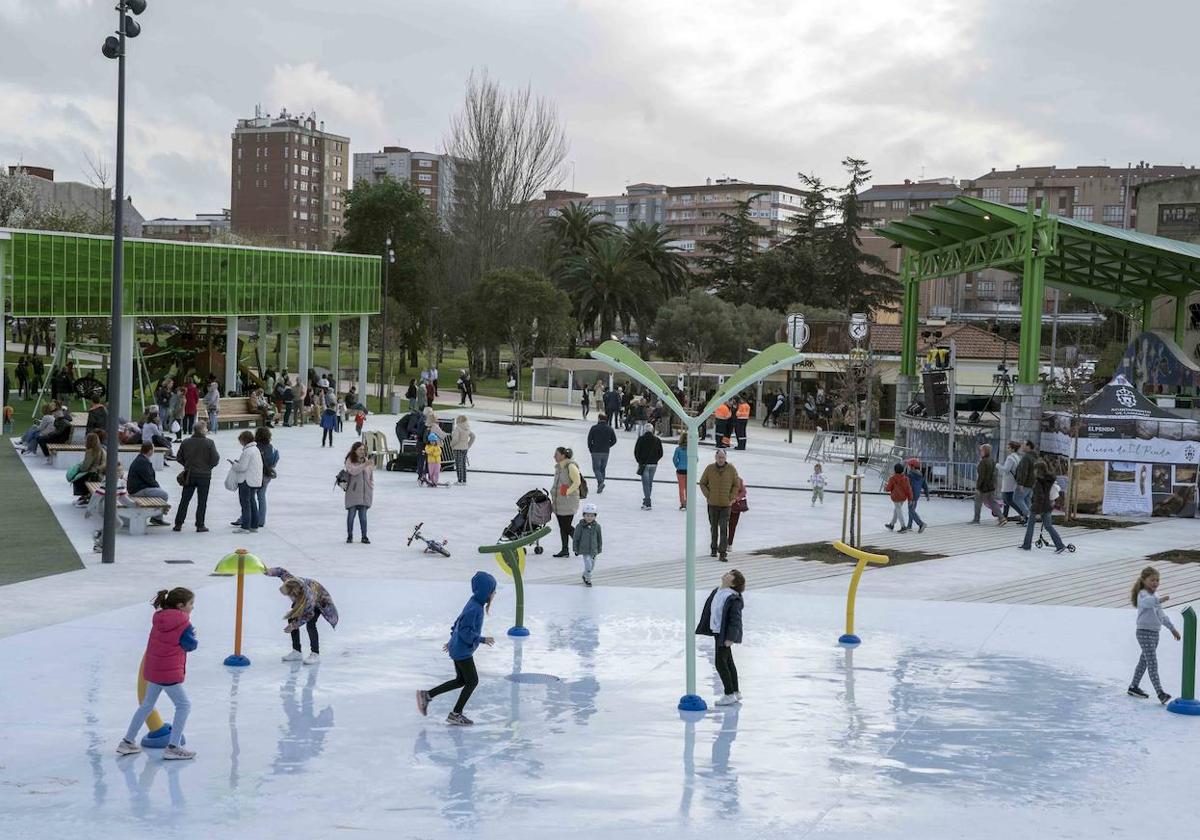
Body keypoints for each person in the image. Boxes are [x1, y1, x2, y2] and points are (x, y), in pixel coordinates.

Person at [116, 587, 197, 760]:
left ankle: (127, 742)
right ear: (181, 605)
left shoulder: (159, 618)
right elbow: (190, 645)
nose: (192, 607)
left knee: (146, 705)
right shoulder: (184, 623)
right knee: (184, 705)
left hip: (154, 669)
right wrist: (193, 636)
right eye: (191, 604)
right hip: (168, 672)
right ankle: (173, 747)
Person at [415, 572, 496, 726]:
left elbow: (458, 623)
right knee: (472, 681)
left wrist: (452, 640)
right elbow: (465, 631)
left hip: (458, 648)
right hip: (462, 651)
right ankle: (456, 713)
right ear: (486, 592)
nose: (494, 594)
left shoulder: (473, 603)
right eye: (492, 591)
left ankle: (426, 695)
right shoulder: (475, 609)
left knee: (461, 680)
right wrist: (482, 639)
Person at [1127, 566, 1181, 704]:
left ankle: (1133, 686)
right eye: (1152, 580)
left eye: (1157, 580)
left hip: (1155, 633)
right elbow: (1146, 603)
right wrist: (1159, 600)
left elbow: (1161, 615)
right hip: (1143, 632)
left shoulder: (1155, 596)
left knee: (1144, 661)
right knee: (1152, 662)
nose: (1155, 583)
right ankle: (1160, 693)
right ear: (1144, 581)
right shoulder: (1143, 594)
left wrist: (1172, 628)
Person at [266, 566, 339, 666]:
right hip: (305, 597)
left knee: (311, 624)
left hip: (320, 602)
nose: (288, 597)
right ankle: (297, 652)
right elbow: (281, 571)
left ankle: (315, 654)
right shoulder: (290, 581)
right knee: (291, 618)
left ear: (294, 594)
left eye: (289, 595)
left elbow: (308, 615)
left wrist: (294, 626)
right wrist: (268, 571)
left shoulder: (308, 598)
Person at [696, 569, 745, 706]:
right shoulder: (718, 591)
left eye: (731, 574)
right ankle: (735, 691)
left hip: (724, 634)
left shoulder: (733, 597)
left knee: (720, 663)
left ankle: (729, 693)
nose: (727, 574)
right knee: (728, 661)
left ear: (733, 583)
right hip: (717, 631)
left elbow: (735, 620)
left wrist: (730, 637)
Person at [173, 421, 219, 532]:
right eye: (206, 429)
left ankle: (178, 523)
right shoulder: (209, 443)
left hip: (190, 474)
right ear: (203, 430)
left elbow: (179, 457)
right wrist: (208, 467)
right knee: (202, 501)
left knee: (185, 499)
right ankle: (200, 524)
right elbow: (215, 459)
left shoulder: (186, 442)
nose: (207, 430)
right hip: (204, 476)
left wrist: (187, 465)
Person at [699, 449, 740, 562]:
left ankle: (722, 552)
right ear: (715, 458)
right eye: (719, 457)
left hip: (726, 505)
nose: (721, 459)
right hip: (713, 504)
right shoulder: (710, 468)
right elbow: (702, 483)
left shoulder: (731, 469)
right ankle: (713, 548)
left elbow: (736, 485)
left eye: (723, 457)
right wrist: (708, 495)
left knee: (723, 527)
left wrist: (731, 497)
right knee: (713, 527)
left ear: (725, 458)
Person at [1020, 456, 1065, 551]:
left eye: (1035, 469)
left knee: (1030, 526)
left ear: (1038, 470)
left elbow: (1039, 497)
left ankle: (1026, 545)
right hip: (1047, 506)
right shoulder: (1048, 480)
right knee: (1049, 526)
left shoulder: (1038, 482)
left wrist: (1038, 512)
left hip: (1037, 507)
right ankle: (1060, 545)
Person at [229, 430, 263, 535]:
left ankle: (245, 527)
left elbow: (242, 467)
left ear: (244, 440)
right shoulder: (255, 449)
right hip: (254, 481)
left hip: (246, 481)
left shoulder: (247, 451)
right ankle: (254, 525)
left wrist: (234, 464)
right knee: (252, 503)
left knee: (245, 504)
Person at [127, 442, 170, 525]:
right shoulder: (143, 462)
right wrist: (158, 488)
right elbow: (149, 479)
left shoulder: (141, 459)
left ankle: (158, 515)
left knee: (159, 492)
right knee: (164, 494)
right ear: (150, 451)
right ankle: (157, 518)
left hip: (138, 488)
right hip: (138, 490)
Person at [551, 446, 582, 558]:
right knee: (563, 527)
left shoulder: (570, 466)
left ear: (563, 455)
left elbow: (577, 482)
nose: (554, 456)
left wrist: (567, 492)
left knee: (566, 526)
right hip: (559, 502)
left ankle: (580, 544)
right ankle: (565, 550)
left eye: (556, 454)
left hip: (568, 502)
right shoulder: (559, 467)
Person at [344, 440, 374, 544]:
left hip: (365, 493)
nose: (362, 451)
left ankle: (364, 536)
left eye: (363, 449)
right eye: (360, 449)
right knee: (351, 515)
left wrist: (371, 486)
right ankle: (350, 535)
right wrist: (365, 465)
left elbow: (370, 475)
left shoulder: (366, 460)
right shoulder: (350, 460)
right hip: (353, 492)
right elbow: (353, 471)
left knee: (363, 517)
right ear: (355, 450)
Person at [972, 444, 1005, 526]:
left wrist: (978, 487)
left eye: (981, 450)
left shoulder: (983, 462)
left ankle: (976, 519)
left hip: (984, 487)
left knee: (978, 502)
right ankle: (1002, 518)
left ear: (984, 451)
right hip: (991, 486)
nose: (980, 452)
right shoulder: (992, 460)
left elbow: (981, 476)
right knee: (992, 502)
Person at [253, 426, 279, 529]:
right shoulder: (271, 447)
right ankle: (261, 520)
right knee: (262, 497)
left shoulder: (256, 448)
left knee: (250, 497)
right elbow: (276, 457)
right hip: (267, 476)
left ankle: (246, 517)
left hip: (256, 474)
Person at [634, 424, 663, 510]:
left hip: (644, 464)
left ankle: (647, 501)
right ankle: (646, 500)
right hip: (654, 464)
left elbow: (636, 451)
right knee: (650, 483)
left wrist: (639, 461)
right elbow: (661, 453)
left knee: (645, 484)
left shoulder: (641, 439)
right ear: (652, 430)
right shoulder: (657, 440)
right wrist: (656, 460)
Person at [573, 501, 602, 587]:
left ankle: (584, 575)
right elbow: (576, 538)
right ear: (584, 515)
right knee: (588, 564)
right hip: (585, 550)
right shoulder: (580, 526)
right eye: (587, 515)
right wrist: (575, 549)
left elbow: (599, 538)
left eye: (592, 516)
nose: (589, 518)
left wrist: (599, 548)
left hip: (593, 550)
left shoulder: (597, 526)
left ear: (595, 516)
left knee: (592, 566)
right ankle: (588, 580)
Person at [72, 432, 106, 504]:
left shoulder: (91, 451)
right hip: (100, 474)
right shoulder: (102, 450)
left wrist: (79, 468)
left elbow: (85, 467)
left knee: (77, 478)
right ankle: (86, 496)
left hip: (92, 474)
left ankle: (85, 496)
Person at [587, 413, 617, 494]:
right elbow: (614, 440)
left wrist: (591, 449)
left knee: (596, 469)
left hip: (596, 451)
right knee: (602, 469)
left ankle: (600, 482)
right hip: (606, 452)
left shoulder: (594, 428)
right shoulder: (610, 429)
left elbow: (589, 440)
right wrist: (608, 446)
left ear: (599, 419)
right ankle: (600, 484)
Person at [1001, 441, 1028, 523]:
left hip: (1008, 482)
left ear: (1013, 449)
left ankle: (1024, 515)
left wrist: (997, 465)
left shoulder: (1010, 458)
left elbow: (1006, 469)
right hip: (1013, 482)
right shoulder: (1017, 457)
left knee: (1009, 500)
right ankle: (1004, 517)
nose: (1007, 449)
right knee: (1006, 501)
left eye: (1009, 447)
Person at [884, 463, 912, 532]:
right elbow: (908, 489)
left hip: (896, 497)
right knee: (896, 510)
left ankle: (903, 527)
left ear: (895, 470)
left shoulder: (892, 478)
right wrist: (910, 498)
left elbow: (888, 489)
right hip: (903, 497)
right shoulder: (906, 479)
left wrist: (885, 486)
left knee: (898, 511)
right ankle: (892, 524)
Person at [449, 415, 475, 485]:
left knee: (458, 465)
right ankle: (464, 480)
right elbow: (473, 436)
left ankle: (460, 480)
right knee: (463, 464)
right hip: (464, 448)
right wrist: (468, 445)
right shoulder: (467, 428)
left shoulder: (457, 428)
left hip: (457, 449)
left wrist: (451, 444)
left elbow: (455, 439)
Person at [1015, 440, 1036, 519]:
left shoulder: (1026, 458)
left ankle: (1029, 517)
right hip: (1031, 483)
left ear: (1028, 446)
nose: (1021, 446)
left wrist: (1021, 483)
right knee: (1027, 500)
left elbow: (1024, 472)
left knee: (1017, 498)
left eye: (1023, 444)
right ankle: (1029, 518)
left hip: (1025, 483)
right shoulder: (1034, 457)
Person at [905, 457, 927, 534]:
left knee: (911, 510)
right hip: (917, 495)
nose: (908, 467)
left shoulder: (910, 475)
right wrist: (927, 494)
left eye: (909, 466)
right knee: (911, 510)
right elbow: (925, 485)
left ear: (912, 467)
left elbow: (908, 487)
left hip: (911, 495)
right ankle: (909, 525)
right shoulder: (921, 475)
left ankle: (921, 524)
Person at [726, 476, 748, 548]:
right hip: (725, 505)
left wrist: (737, 498)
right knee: (723, 525)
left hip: (735, 506)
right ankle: (724, 542)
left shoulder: (739, 480)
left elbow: (744, 491)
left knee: (732, 526)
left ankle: (729, 543)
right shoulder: (723, 479)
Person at [673, 430, 689, 511]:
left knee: (681, 488)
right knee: (688, 488)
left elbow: (675, 459)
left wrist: (678, 466)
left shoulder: (678, 449)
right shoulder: (692, 449)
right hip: (689, 470)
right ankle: (688, 503)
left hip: (680, 470)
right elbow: (696, 459)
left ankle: (683, 504)